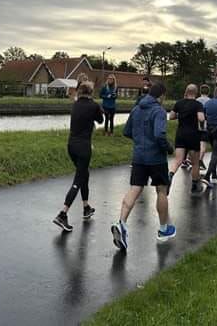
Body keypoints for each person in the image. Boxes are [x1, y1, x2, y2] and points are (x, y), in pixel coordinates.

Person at [111, 83, 175, 251]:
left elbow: (126, 131)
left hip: (139, 157)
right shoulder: (159, 111)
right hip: (156, 158)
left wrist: (140, 140)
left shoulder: (136, 109)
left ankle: (122, 224)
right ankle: (163, 229)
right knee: (161, 190)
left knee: (135, 188)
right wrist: (168, 148)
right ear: (161, 96)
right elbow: (159, 134)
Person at [53, 81, 103, 232]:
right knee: (79, 179)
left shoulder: (75, 104)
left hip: (71, 145)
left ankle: (86, 207)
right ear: (91, 92)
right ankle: (63, 213)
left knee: (84, 174)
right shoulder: (94, 106)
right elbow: (100, 120)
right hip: (83, 147)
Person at [168, 84, 205, 194]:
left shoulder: (179, 103)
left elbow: (171, 116)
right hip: (193, 135)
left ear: (186, 91)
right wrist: (201, 123)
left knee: (178, 160)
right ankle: (194, 186)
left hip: (180, 134)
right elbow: (201, 118)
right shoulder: (198, 104)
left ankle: (170, 175)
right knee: (195, 163)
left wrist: (182, 115)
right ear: (196, 92)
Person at [196, 84, 211, 169]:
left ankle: (189, 159)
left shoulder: (197, 100)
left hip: (196, 125)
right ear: (208, 92)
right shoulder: (210, 101)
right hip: (205, 125)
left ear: (200, 91)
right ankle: (200, 160)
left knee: (194, 145)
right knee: (203, 145)